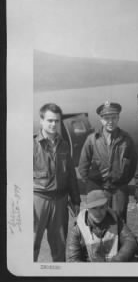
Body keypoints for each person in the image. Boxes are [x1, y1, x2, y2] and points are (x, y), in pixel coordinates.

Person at [33, 103, 81, 262]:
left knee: (59, 248)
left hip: (60, 202)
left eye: (57, 121)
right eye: (49, 120)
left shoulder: (64, 145)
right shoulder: (31, 144)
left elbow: (71, 176)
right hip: (38, 200)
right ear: (41, 120)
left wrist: (75, 200)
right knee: (31, 245)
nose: (53, 124)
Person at [78, 101, 136, 223]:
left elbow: (132, 165)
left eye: (113, 117)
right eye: (106, 118)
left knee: (119, 220)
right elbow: (83, 166)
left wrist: (122, 181)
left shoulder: (126, 139)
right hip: (98, 188)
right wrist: (92, 187)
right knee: (98, 220)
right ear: (101, 119)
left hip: (118, 189)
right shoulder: (92, 140)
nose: (110, 121)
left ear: (118, 118)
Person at [66, 189, 138, 262]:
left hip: (115, 265)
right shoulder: (77, 229)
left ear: (107, 206)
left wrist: (118, 260)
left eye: (102, 207)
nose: (98, 213)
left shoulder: (116, 220)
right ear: (87, 208)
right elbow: (73, 259)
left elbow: (130, 241)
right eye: (94, 208)